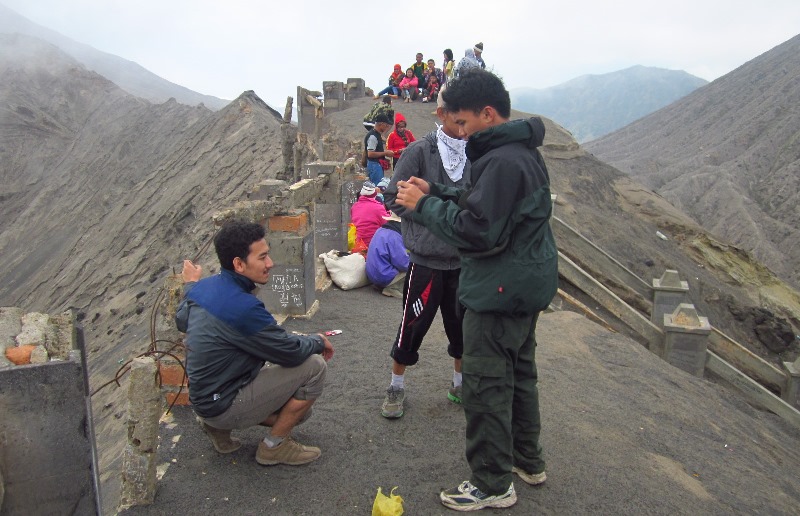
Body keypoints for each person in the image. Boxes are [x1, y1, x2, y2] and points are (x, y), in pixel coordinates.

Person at [394, 69, 557, 511]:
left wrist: (423, 206)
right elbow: (481, 201)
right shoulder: (519, 152)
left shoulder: (502, 161)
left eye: (462, 122)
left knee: (485, 387)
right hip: (525, 283)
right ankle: (527, 460)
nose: (460, 132)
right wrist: (436, 190)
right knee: (520, 376)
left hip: (499, 290)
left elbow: (478, 230)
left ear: (487, 114)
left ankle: (491, 483)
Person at [175, 221, 335, 466]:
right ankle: (274, 447)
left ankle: (215, 427)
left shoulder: (202, 287)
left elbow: (181, 320)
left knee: (294, 406)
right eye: (262, 257)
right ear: (239, 264)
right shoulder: (243, 307)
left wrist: (190, 285)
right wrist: (317, 340)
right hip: (223, 404)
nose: (270, 263)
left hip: (202, 398)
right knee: (314, 367)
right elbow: (289, 352)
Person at [380, 104, 472, 420]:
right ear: (442, 113)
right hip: (426, 262)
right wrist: (429, 217)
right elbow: (392, 196)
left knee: (462, 327)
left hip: (462, 262)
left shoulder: (473, 154)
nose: (464, 127)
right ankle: (395, 386)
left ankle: (460, 383)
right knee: (412, 324)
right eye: (459, 118)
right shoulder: (419, 151)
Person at [365, 212, 409, 298]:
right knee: (415, 269)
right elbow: (403, 264)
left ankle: (383, 285)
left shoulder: (381, 230)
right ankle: (393, 288)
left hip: (373, 274)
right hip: (384, 275)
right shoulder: (395, 235)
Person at [350, 181, 390, 250]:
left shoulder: (354, 207)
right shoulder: (378, 207)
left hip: (358, 243)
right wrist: (390, 214)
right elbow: (386, 223)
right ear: (374, 195)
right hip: (373, 244)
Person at [364, 113, 395, 184]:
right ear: (381, 124)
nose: (387, 128)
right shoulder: (373, 136)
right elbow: (370, 154)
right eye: (386, 125)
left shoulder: (377, 134)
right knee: (377, 186)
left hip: (376, 164)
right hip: (374, 165)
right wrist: (385, 153)